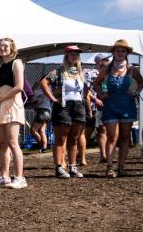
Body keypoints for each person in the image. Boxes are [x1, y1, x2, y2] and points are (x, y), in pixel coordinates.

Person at [95, 39, 143, 177]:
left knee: (125, 137)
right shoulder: (106, 69)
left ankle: (121, 167)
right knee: (112, 137)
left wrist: (136, 91)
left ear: (127, 53)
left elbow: (141, 82)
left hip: (127, 107)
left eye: (123, 50)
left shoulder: (131, 69)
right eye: (118, 50)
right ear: (113, 52)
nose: (120, 53)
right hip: (110, 106)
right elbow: (97, 83)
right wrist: (101, 93)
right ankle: (110, 167)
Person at [41, 45, 88, 179]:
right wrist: (52, 98)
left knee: (74, 138)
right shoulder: (58, 71)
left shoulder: (80, 72)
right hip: (63, 105)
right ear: (66, 55)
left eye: (77, 54)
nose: (74, 56)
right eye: (72, 53)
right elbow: (44, 82)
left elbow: (85, 89)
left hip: (78, 106)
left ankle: (73, 166)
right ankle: (59, 167)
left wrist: (87, 101)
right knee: (61, 138)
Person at [0, 37, 26, 188]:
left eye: (6, 46)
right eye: (0, 46)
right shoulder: (0, 67)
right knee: (2, 144)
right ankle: (4, 176)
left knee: (13, 142)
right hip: (1, 107)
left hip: (13, 106)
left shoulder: (17, 63)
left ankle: (20, 177)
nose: (2, 48)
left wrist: (0, 99)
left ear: (12, 48)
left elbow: (19, 87)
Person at [86, 54, 108, 164]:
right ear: (99, 62)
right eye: (105, 60)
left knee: (102, 129)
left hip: (103, 107)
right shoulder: (90, 74)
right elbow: (86, 91)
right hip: (92, 106)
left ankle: (103, 155)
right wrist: (95, 99)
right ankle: (80, 154)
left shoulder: (109, 74)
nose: (108, 61)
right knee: (87, 131)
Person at [29, 71, 52, 153]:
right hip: (47, 111)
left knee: (33, 130)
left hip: (42, 111)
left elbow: (36, 99)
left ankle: (42, 145)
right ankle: (44, 148)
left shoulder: (42, 89)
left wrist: (33, 89)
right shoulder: (49, 89)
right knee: (42, 130)